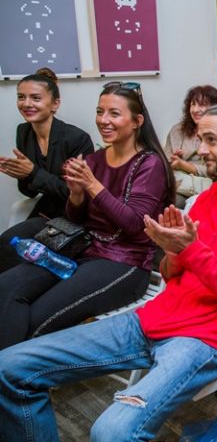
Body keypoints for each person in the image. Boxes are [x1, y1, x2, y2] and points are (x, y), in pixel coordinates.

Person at [0, 103, 217, 441]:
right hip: (153, 319)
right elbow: (172, 275)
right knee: (9, 367)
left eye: (211, 140)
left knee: (110, 432)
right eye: (201, 139)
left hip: (203, 340)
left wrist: (190, 249)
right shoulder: (207, 199)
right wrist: (171, 252)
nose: (201, 150)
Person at [0, 81, 174, 350]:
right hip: (81, 249)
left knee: (36, 318)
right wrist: (77, 195)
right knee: (7, 285)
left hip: (124, 262)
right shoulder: (95, 159)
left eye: (114, 113)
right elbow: (76, 219)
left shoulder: (150, 164)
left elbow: (134, 225)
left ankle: (14, 369)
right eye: (100, 112)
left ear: (137, 121)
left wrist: (92, 185)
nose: (104, 120)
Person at [0, 68, 94, 272]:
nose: (26, 104)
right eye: (21, 97)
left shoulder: (77, 139)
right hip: (44, 213)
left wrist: (33, 173)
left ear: (55, 104)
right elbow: (29, 192)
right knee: (7, 246)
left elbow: (77, 195)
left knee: (18, 255)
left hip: (74, 218)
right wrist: (21, 174)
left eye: (35, 98)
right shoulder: (23, 132)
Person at [163, 85, 217, 207]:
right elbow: (164, 164)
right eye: (193, 104)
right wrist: (173, 160)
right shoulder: (177, 130)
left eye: (202, 105)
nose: (196, 110)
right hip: (177, 182)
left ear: (215, 107)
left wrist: (185, 165)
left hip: (210, 184)